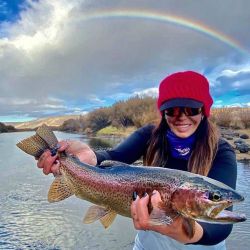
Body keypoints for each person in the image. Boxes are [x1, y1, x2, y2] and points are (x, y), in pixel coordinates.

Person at [37, 71, 237, 250]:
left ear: (204, 110)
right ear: (163, 111)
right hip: (150, 244)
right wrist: (89, 157)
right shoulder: (150, 134)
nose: (181, 117)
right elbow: (114, 158)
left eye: (191, 109)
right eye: (172, 110)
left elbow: (220, 227)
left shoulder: (222, 151)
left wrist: (178, 229)